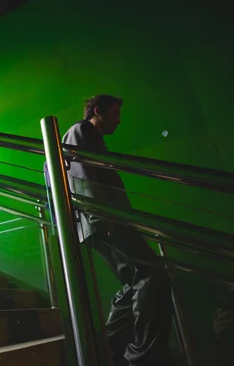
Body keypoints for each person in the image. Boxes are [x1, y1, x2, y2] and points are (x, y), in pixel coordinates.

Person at [62, 94, 172, 366]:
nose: (119, 120)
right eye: (115, 114)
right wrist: (101, 219)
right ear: (97, 110)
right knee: (151, 274)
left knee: (134, 282)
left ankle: (107, 351)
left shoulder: (93, 139)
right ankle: (143, 357)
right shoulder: (81, 131)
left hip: (107, 219)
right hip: (104, 220)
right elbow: (81, 175)